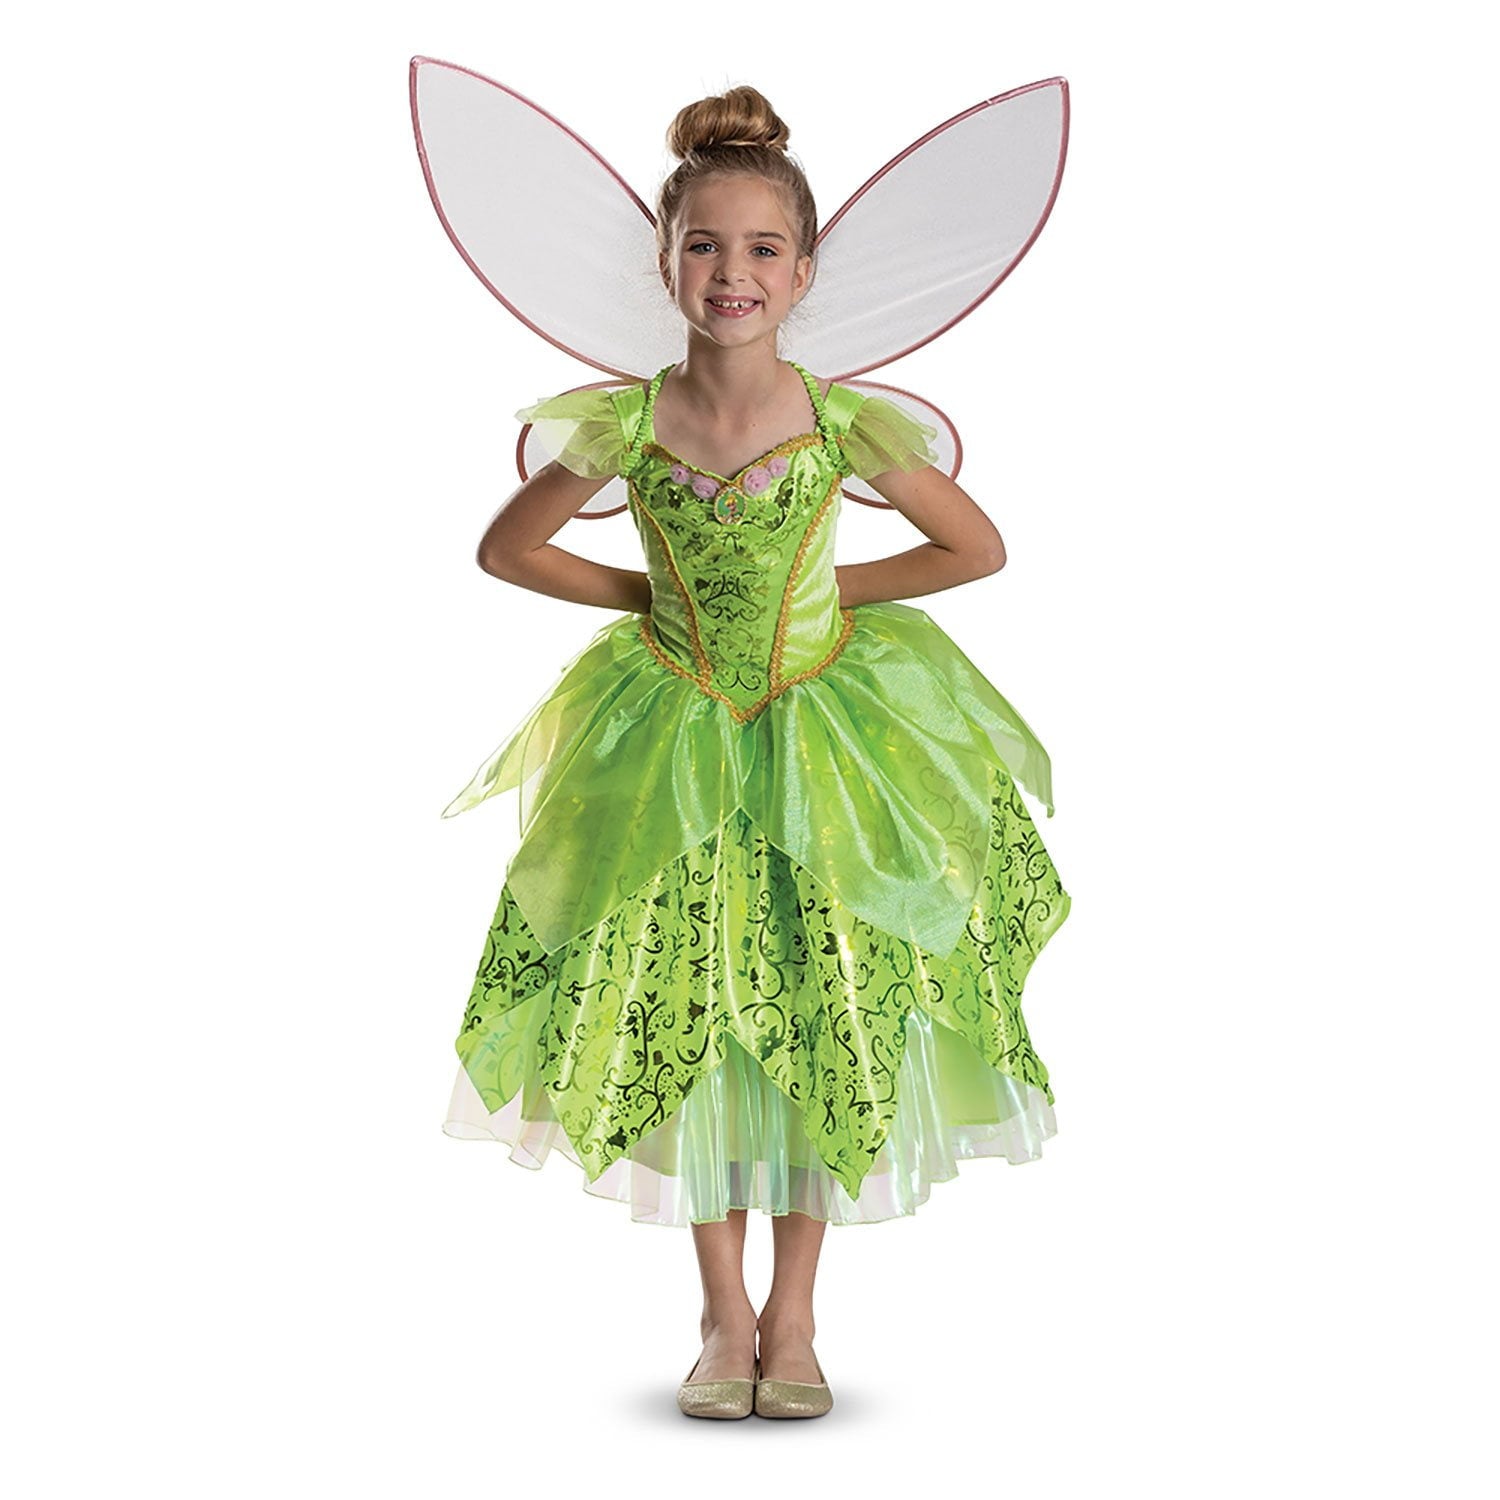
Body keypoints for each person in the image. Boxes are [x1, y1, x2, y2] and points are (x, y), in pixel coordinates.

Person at [433, 82, 1072, 1421]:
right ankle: (721, 1319)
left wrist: (835, 606)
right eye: (705, 248)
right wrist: (643, 602)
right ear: (664, 262)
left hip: (822, 732)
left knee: (813, 993)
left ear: (807, 267)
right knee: (689, 1006)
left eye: (763, 249)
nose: (733, 274)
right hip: (668, 735)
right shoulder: (625, 424)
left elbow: (977, 547)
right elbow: (509, 549)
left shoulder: (844, 426)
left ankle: (798, 1315)